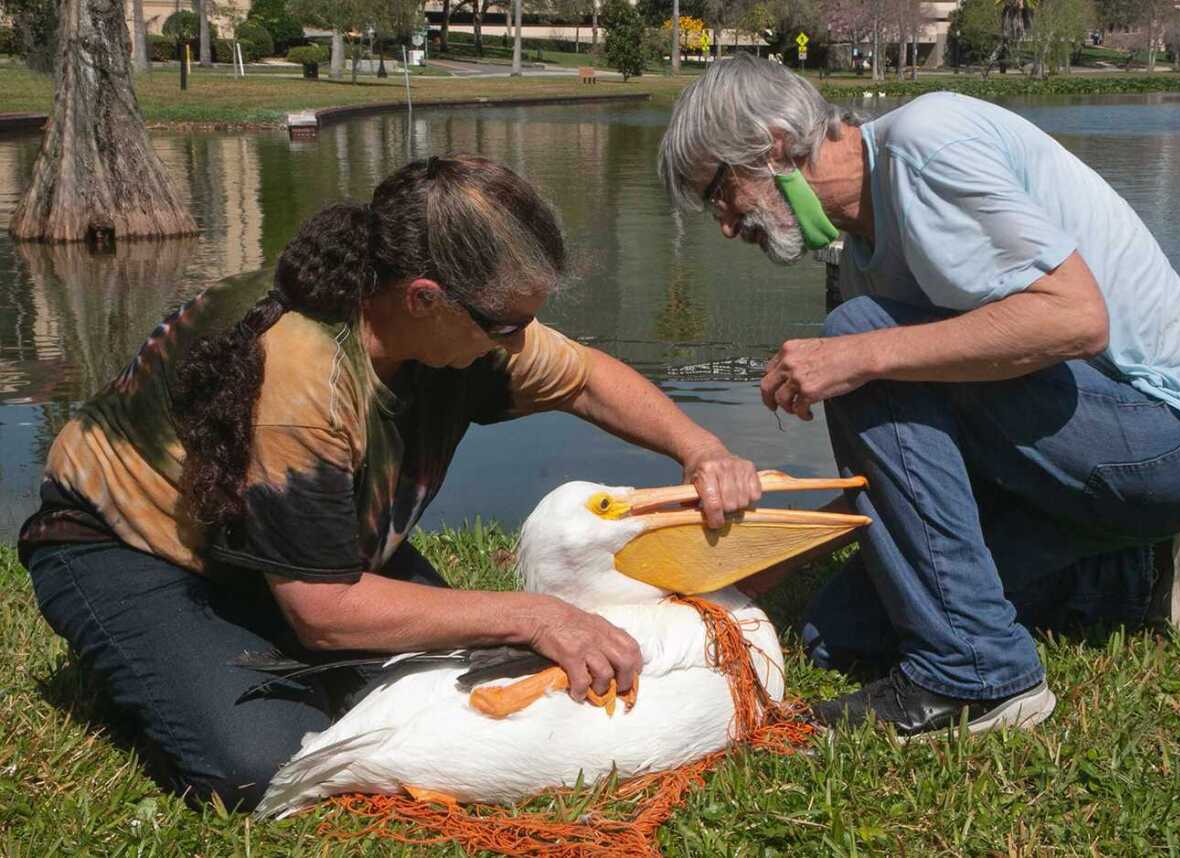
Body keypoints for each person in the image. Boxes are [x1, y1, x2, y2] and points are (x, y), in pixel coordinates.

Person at [20, 155, 763, 809]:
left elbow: (589, 379)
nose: (521, 342)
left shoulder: (464, 332)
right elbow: (325, 608)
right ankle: (154, 664)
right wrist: (533, 614)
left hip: (292, 545)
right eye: (506, 324)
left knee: (445, 686)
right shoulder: (304, 378)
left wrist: (699, 449)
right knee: (264, 763)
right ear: (423, 298)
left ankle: (234, 651)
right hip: (127, 548)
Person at [658, 56, 1180, 737]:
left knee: (855, 334)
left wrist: (859, 353)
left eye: (716, 194)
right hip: (1076, 456)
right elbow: (904, 473)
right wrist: (780, 557)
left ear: (771, 145)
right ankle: (1126, 568)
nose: (726, 225)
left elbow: (1077, 319)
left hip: (1166, 440)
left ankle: (980, 677)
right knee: (839, 629)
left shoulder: (928, 144)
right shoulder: (862, 263)